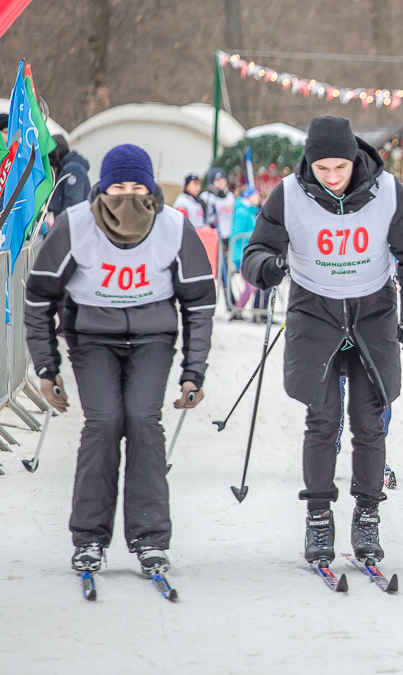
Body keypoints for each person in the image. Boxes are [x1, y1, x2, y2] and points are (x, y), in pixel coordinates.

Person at [242, 115, 403, 566]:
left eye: (339, 168)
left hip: (373, 311)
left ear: (353, 160)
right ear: (310, 161)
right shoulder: (288, 193)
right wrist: (265, 268)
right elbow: (256, 251)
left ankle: (367, 515)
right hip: (315, 311)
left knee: (370, 420)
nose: (331, 178)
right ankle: (319, 517)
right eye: (322, 168)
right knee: (322, 419)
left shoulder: (388, 191)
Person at [23, 144, 215, 577]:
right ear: (101, 188)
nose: (127, 195)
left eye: (136, 187)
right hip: (92, 338)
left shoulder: (173, 227)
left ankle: (150, 538)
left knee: (144, 421)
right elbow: (39, 298)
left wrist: (193, 371)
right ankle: (89, 537)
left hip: (152, 338)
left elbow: (199, 302)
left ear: (150, 188)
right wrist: (47, 367)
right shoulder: (76, 226)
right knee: (105, 422)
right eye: (117, 187)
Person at [202, 168, 236, 304]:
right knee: (221, 272)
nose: (220, 183)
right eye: (217, 180)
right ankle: (230, 303)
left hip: (229, 238)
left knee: (228, 272)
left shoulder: (230, 197)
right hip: (215, 239)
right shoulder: (207, 197)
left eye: (222, 179)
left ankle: (232, 303)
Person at [229, 186, 261, 317]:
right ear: (249, 196)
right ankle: (236, 311)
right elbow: (236, 233)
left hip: (247, 253)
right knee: (250, 287)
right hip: (242, 253)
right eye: (256, 195)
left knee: (251, 286)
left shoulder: (249, 211)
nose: (258, 198)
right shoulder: (242, 212)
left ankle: (237, 310)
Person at [47, 135, 91, 218]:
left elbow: (73, 204)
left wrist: (61, 226)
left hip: (73, 227)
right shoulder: (63, 170)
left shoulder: (73, 169)